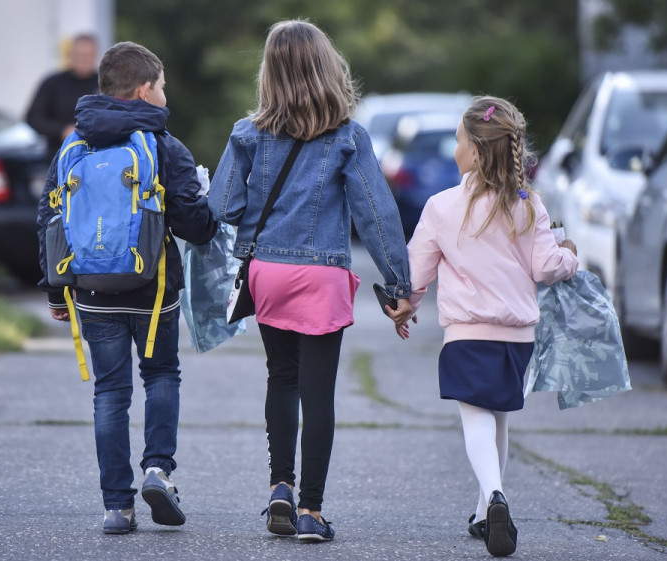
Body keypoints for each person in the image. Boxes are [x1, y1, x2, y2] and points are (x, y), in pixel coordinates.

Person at [208, 20, 412, 542]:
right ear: (328, 67)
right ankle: (312, 512)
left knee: (282, 377)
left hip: (268, 273)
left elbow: (223, 206)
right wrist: (397, 284)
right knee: (319, 391)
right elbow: (376, 215)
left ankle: (280, 487)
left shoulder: (247, 132)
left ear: (269, 73)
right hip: (321, 274)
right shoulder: (348, 136)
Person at [35, 41, 217, 534]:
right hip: (153, 288)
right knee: (160, 375)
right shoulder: (162, 145)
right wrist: (206, 204)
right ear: (142, 91)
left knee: (110, 393)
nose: (165, 95)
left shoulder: (74, 145)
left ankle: (117, 506)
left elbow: (51, 218)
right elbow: (195, 225)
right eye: (160, 87)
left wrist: (57, 292)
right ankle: (158, 469)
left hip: (91, 291)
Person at [389, 96, 578, 557]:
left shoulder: (442, 206)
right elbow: (546, 267)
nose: (455, 149)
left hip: (468, 333)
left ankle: (495, 496)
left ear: (473, 151)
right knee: (498, 419)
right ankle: (481, 512)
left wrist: (405, 306)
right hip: (517, 339)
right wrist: (570, 253)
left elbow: (417, 273)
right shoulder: (528, 203)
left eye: (457, 141)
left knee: (475, 417)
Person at [26, 34, 100, 161]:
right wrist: (62, 130)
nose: (84, 59)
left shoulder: (105, 84)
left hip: (96, 158)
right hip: (58, 158)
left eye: (88, 55)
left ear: (96, 56)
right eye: (80, 55)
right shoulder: (53, 83)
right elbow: (33, 117)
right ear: (71, 55)